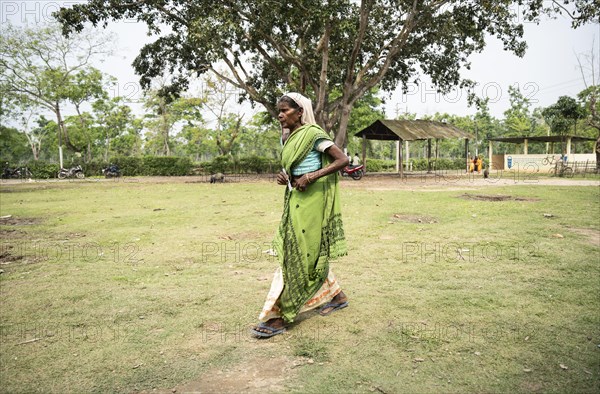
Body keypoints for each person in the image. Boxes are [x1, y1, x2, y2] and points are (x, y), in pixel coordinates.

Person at [251, 92, 349, 338]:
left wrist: (310, 177)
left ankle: (280, 315)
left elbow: (342, 160)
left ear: (300, 112)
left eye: (285, 111)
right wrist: (284, 176)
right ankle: (337, 296)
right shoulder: (287, 137)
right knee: (305, 251)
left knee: (297, 252)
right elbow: (290, 167)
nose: (280, 115)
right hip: (295, 196)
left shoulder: (314, 135)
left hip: (313, 199)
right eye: (279, 111)